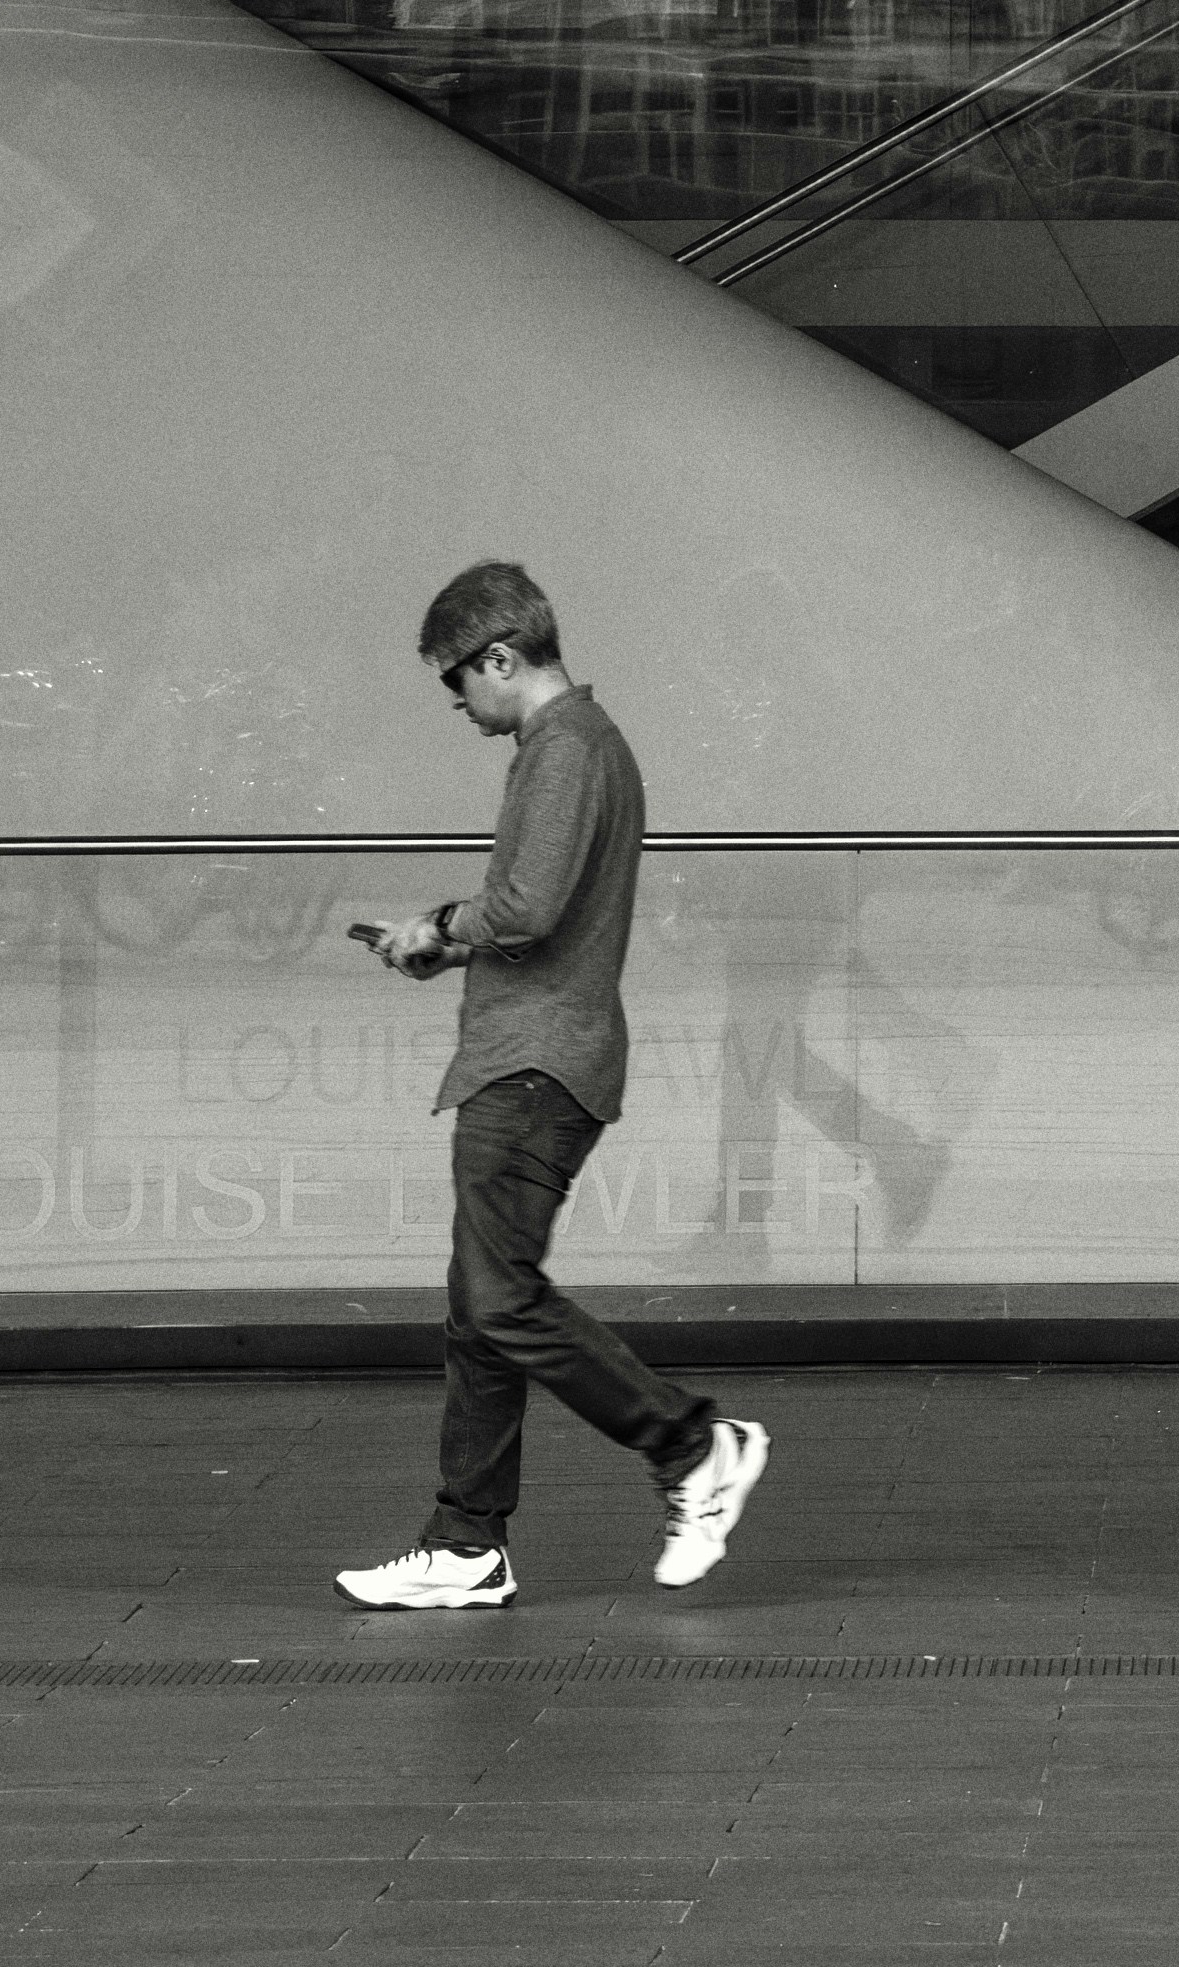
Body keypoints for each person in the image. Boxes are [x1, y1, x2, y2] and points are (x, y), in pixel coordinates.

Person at [334, 560, 770, 1615]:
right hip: (533, 1050)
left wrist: (441, 923)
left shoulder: (566, 747)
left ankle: (692, 1445)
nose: (457, 706)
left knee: (499, 1299)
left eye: (456, 683)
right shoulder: (577, 744)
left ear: (498, 658)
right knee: (477, 1308)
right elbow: (541, 916)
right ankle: (466, 1541)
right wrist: (444, 946)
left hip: (536, 1062)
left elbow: (526, 907)